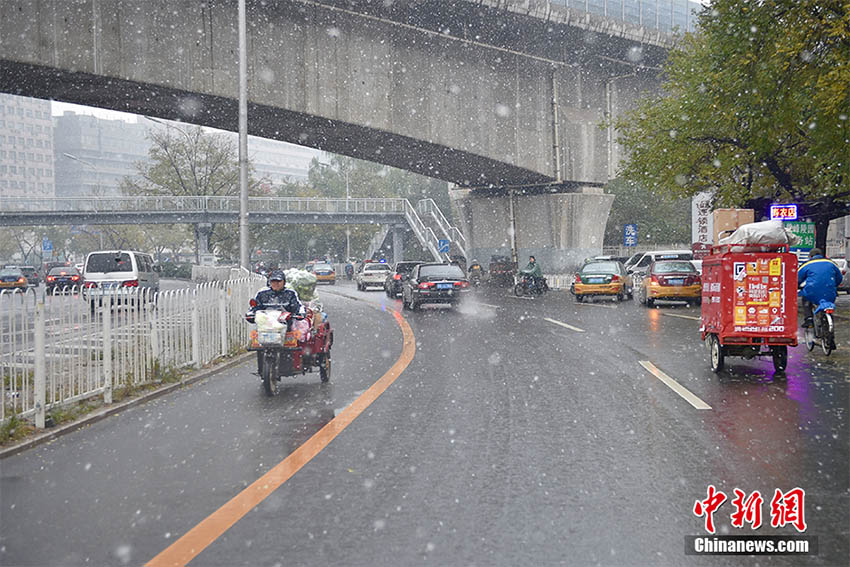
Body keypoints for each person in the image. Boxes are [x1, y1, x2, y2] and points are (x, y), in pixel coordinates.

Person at [798, 248, 842, 328]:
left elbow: (797, 278)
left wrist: (798, 286)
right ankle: (828, 319)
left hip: (813, 290)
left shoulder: (807, 264)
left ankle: (809, 319)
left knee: (806, 299)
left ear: (810, 256)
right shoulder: (831, 263)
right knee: (829, 301)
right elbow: (839, 277)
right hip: (829, 291)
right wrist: (834, 285)